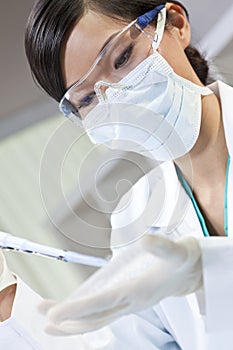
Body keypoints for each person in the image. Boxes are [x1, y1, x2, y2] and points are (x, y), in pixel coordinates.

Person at [1, 0, 233, 349]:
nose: (117, 98)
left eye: (122, 58)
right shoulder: (133, 222)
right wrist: (5, 298)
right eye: (87, 99)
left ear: (174, 23)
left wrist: (216, 271)